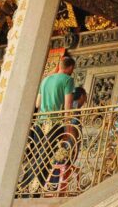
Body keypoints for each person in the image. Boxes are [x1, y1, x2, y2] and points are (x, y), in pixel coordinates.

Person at [26, 56, 75, 192]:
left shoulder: (45, 80)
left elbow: (37, 104)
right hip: (55, 123)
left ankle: (27, 188)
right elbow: (67, 106)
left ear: (59, 66)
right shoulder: (68, 80)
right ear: (70, 68)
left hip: (40, 122)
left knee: (37, 155)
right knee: (47, 158)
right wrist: (69, 127)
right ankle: (35, 190)